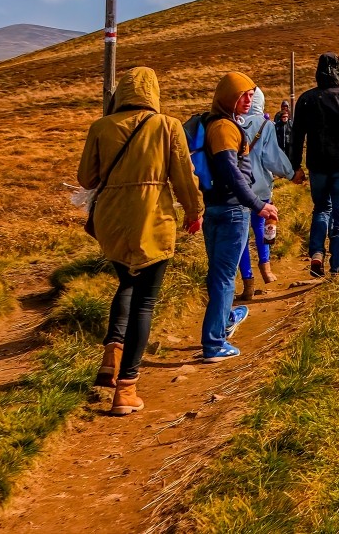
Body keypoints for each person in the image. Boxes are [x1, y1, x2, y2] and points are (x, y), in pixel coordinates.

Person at [76, 66, 201, 417]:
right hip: (152, 218)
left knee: (125, 285)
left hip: (112, 220)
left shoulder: (101, 126)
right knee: (145, 300)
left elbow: (86, 177)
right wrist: (194, 211)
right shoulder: (167, 125)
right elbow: (183, 176)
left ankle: (110, 358)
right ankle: (126, 389)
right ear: (153, 93)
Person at [191, 72, 279, 363]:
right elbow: (231, 172)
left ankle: (226, 317)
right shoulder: (224, 128)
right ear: (228, 96)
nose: (248, 100)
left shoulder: (214, 124)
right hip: (232, 211)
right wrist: (258, 205)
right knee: (225, 277)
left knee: (218, 273)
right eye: (242, 95)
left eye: (251, 95)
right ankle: (214, 344)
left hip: (216, 207)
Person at [287, 53, 339, 277]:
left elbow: (296, 136)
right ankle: (338, 265)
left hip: (317, 165)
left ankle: (316, 253)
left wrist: (295, 166)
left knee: (321, 209)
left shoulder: (306, 99)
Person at [235, 88, 293, 295]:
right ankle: (267, 270)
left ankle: (248, 282)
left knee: (242, 235)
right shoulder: (265, 125)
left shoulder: (230, 123)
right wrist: (291, 173)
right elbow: (273, 158)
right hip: (261, 187)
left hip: (238, 187)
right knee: (261, 225)